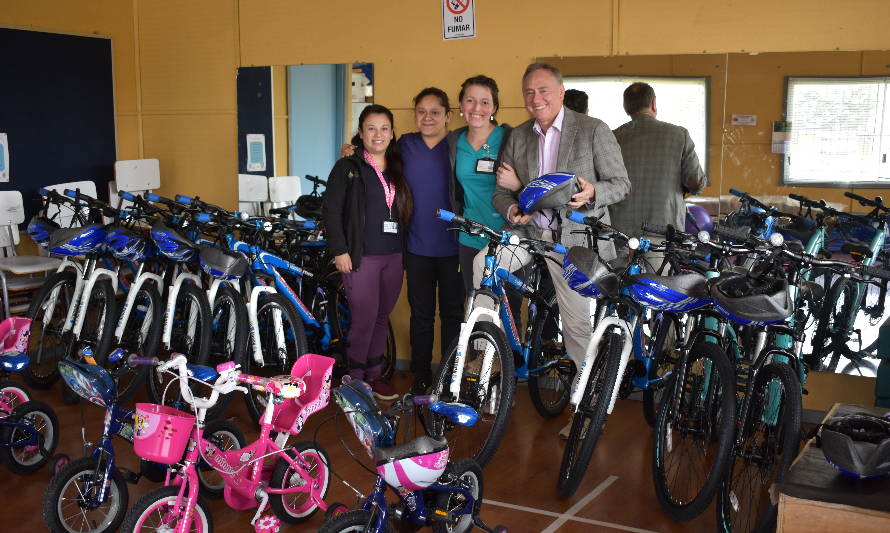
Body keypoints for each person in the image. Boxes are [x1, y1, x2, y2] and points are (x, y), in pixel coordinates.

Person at [491, 63, 630, 438]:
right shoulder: (518, 136)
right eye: (529, 93)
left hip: (574, 242)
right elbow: (501, 192)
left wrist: (594, 193)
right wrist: (512, 206)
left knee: (576, 326)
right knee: (482, 267)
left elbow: (620, 183)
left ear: (561, 92)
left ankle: (586, 408)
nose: (536, 99)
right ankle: (487, 355)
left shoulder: (593, 130)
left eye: (543, 91)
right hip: (530, 236)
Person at [322, 104, 412, 401]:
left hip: (393, 255)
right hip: (362, 256)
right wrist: (339, 250)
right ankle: (353, 379)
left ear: (392, 133)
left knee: (381, 316)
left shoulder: (398, 165)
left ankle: (374, 374)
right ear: (361, 133)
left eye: (384, 128)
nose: (378, 134)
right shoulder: (348, 166)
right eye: (371, 128)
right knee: (363, 318)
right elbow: (331, 210)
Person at [398, 88, 464, 394]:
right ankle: (421, 374)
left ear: (448, 116)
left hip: (454, 246)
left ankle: (450, 375)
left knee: (453, 315)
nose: (427, 117)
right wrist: (351, 151)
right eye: (421, 111)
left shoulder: (457, 145)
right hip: (417, 246)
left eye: (435, 112)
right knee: (421, 315)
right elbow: (375, 160)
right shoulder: (406, 145)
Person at [611, 82, 707, 268]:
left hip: (620, 233)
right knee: (657, 290)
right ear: (654, 104)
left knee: (619, 291)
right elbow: (696, 182)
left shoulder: (612, 138)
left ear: (626, 107)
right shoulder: (679, 135)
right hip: (662, 231)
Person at [447, 75, 513, 292]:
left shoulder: (510, 138)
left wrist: (517, 184)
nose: (477, 108)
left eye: (485, 102)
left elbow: (534, 182)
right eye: (470, 100)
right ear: (461, 105)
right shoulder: (454, 141)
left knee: (507, 310)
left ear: (494, 107)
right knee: (475, 306)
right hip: (470, 237)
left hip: (506, 237)